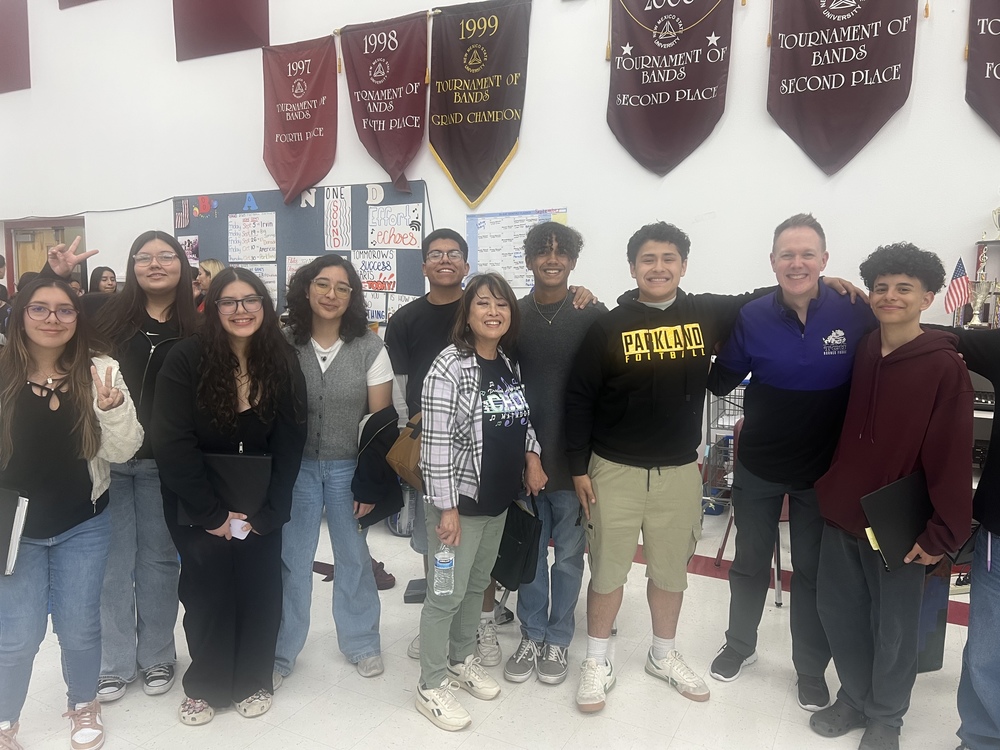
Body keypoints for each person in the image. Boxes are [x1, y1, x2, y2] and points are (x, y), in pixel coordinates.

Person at [564, 221, 859, 714]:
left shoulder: (705, 311)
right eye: (648, 260)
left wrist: (826, 282)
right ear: (633, 267)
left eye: (669, 259)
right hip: (613, 467)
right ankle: (597, 660)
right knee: (608, 571)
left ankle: (663, 654)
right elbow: (578, 398)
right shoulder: (607, 324)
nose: (659, 268)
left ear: (683, 265)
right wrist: (577, 467)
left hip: (680, 469)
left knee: (670, 572)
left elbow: (771, 289)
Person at [705, 214, 877, 710]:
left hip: (824, 472)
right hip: (759, 465)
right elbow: (721, 378)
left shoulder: (854, 309)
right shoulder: (753, 315)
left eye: (807, 254)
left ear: (825, 260)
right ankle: (739, 645)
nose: (797, 263)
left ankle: (809, 668)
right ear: (773, 261)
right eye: (787, 254)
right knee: (750, 564)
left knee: (813, 573)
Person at [811, 243, 973, 750]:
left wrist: (942, 533)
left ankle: (887, 717)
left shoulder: (945, 368)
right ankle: (855, 699)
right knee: (841, 614)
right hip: (843, 512)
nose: (890, 296)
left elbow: (952, 454)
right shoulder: (863, 348)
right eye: (881, 287)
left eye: (904, 288)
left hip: (900, 527)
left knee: (894, 628)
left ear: (928, 297)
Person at [45, 231, 199, 703]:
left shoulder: (200, 325)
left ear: (181, 265)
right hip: (106, 458)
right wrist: (56, 276)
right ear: (131, 267)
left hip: (163, 463)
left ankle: (157, 655)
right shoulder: (102, 312)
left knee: (156, 561)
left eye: (165, 256)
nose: (155, 264)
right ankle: (114, 660)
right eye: (143, 257)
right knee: (111, 565)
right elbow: (41, 320)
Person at [152, 267, 306, 725]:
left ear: (265, 304)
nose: (241, 310)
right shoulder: (186, 358)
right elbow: (171, 440)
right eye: (229, 301)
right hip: (197, 501)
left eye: (251, 299)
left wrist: (271, 510)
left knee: (261, 590)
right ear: (212, 307)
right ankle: (207, 684)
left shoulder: (282, 359)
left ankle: (254, 677)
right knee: (207, 593)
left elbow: (292, 438)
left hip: (260, 503)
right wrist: (210, 513)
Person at [0, 278, 143, 750]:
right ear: (20, 315)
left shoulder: (101, 370)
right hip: (14, 529)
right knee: (18, 635)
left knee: (80, 625)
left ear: (78, 320)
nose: (51, 319)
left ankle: (84, 702)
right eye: (39, 309)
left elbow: (124, 452)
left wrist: (114, 409)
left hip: (83, 522)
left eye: (64, 310)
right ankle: (5, 721)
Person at [414, 272, 545, 731]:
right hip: (459, 508)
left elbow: (519, 420)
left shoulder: (507, 362)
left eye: (502, 305)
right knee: (445, 595)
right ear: (467, 314)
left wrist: (532, 455)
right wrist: (446, 509)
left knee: (474, 588)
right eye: (483, 304)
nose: (493, 312)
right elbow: (435, 446)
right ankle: (430, 684)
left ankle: (459, 660)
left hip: (497, 503)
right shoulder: (450, 366)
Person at [274, 255, 393, 684]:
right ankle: (281, 652)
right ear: (306, 289)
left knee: (354, 558)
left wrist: (370, 480)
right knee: (291, 560)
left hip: (349, 469)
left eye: (343, 288)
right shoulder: (283, 341)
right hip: (296, 469)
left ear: (352, 297)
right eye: (322, 284)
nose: (331, 294)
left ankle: (361, 642)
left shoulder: (369, 346)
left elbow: (381, 422)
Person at [504, 222, 607, 687]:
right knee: (529, 554)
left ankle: (559, 638)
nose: (551, 259)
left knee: (568, 557)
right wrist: (527, 455)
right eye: (542, 252)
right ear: (528, 260)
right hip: (523, 457)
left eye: (560, 251)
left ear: (572, 260)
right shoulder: (512, 316)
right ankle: (532, 632)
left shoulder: (590, 312)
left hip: (573, 462)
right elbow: (501, 385)